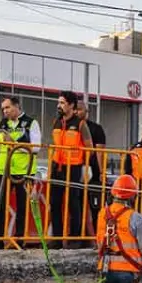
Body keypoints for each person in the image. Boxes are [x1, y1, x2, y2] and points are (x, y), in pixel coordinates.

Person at [0, 96, 41, 248]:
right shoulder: (2, 123)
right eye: (3, 109)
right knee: (0, 206)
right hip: (4, 170)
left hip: (24, 171)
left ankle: (19, 240)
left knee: (22, 206)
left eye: (7, 108)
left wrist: (14, 144)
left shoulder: (30, 123)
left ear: (17, 106)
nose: (5, 111)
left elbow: (36, 147)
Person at [51, 91, 95, 247]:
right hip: (57, 166)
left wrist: (85, 165)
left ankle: (74, 238)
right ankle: (56, 239)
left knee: (73, 203)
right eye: (59, 102)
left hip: (74, 167)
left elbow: (90, 147)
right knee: (54, 203)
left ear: (71, 105)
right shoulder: (56, 121)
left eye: (62, 103)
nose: (59, 105)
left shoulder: (81, 124)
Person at [77, 103, 109, 233]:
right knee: (77, 206)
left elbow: (100, 151)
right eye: (75, 110)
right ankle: (80, 235)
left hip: (93, 173)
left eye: (79, 110)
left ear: (86, 111)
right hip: (75, 170)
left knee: (96, 206)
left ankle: (99, 234)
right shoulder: (70, 127)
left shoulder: (96, 128)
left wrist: (102, 172)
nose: (77, 112)